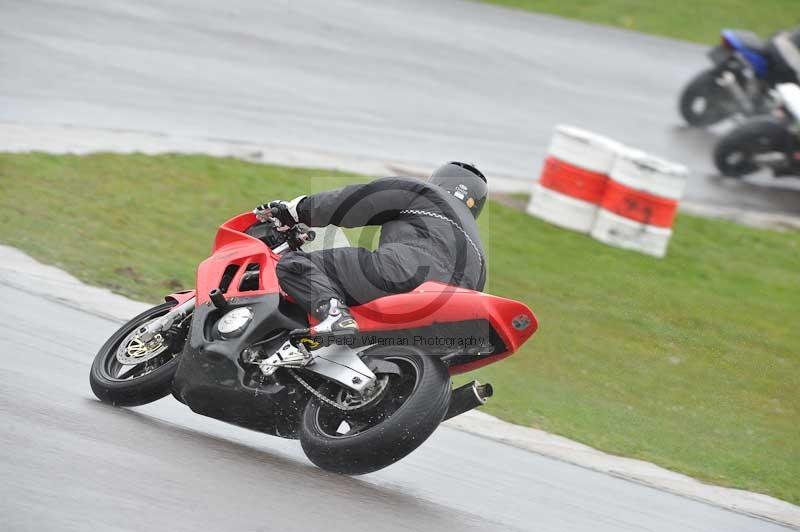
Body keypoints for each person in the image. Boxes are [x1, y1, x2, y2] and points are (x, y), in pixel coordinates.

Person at [254, 162, 488, 337]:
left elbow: (357, 202)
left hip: (402, 274)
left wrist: (297, 211)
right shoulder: (479, 256)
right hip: (446, 314)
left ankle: (334, 315)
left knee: (296, 265)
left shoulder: (426, 194)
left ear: (438, 181)